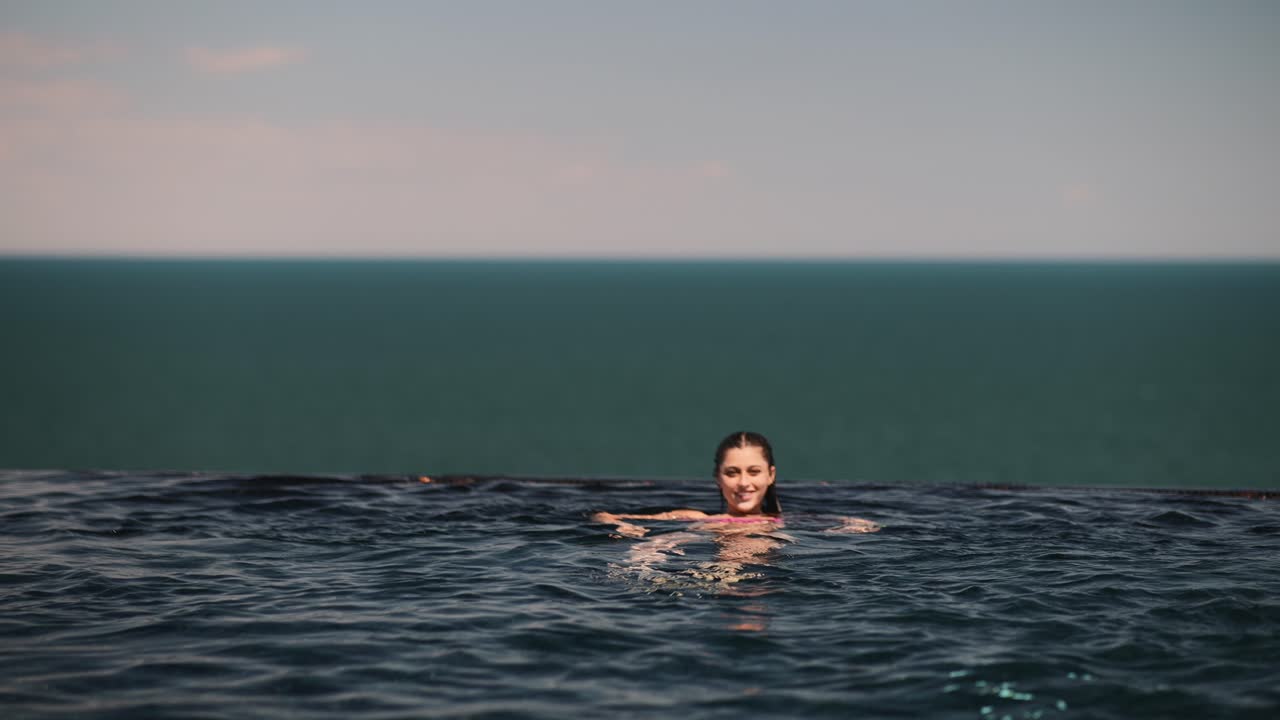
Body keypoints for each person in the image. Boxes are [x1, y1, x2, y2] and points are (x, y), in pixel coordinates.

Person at [592, 431, 880, 537]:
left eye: (754, 472)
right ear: (718, 478)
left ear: (771, 475)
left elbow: (863, 524)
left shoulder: (793, 522)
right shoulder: (696, 518)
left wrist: (851, 528)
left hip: (768, 587)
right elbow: (603, 516)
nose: (744, 483)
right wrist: (626, 528)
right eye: (732, 473)